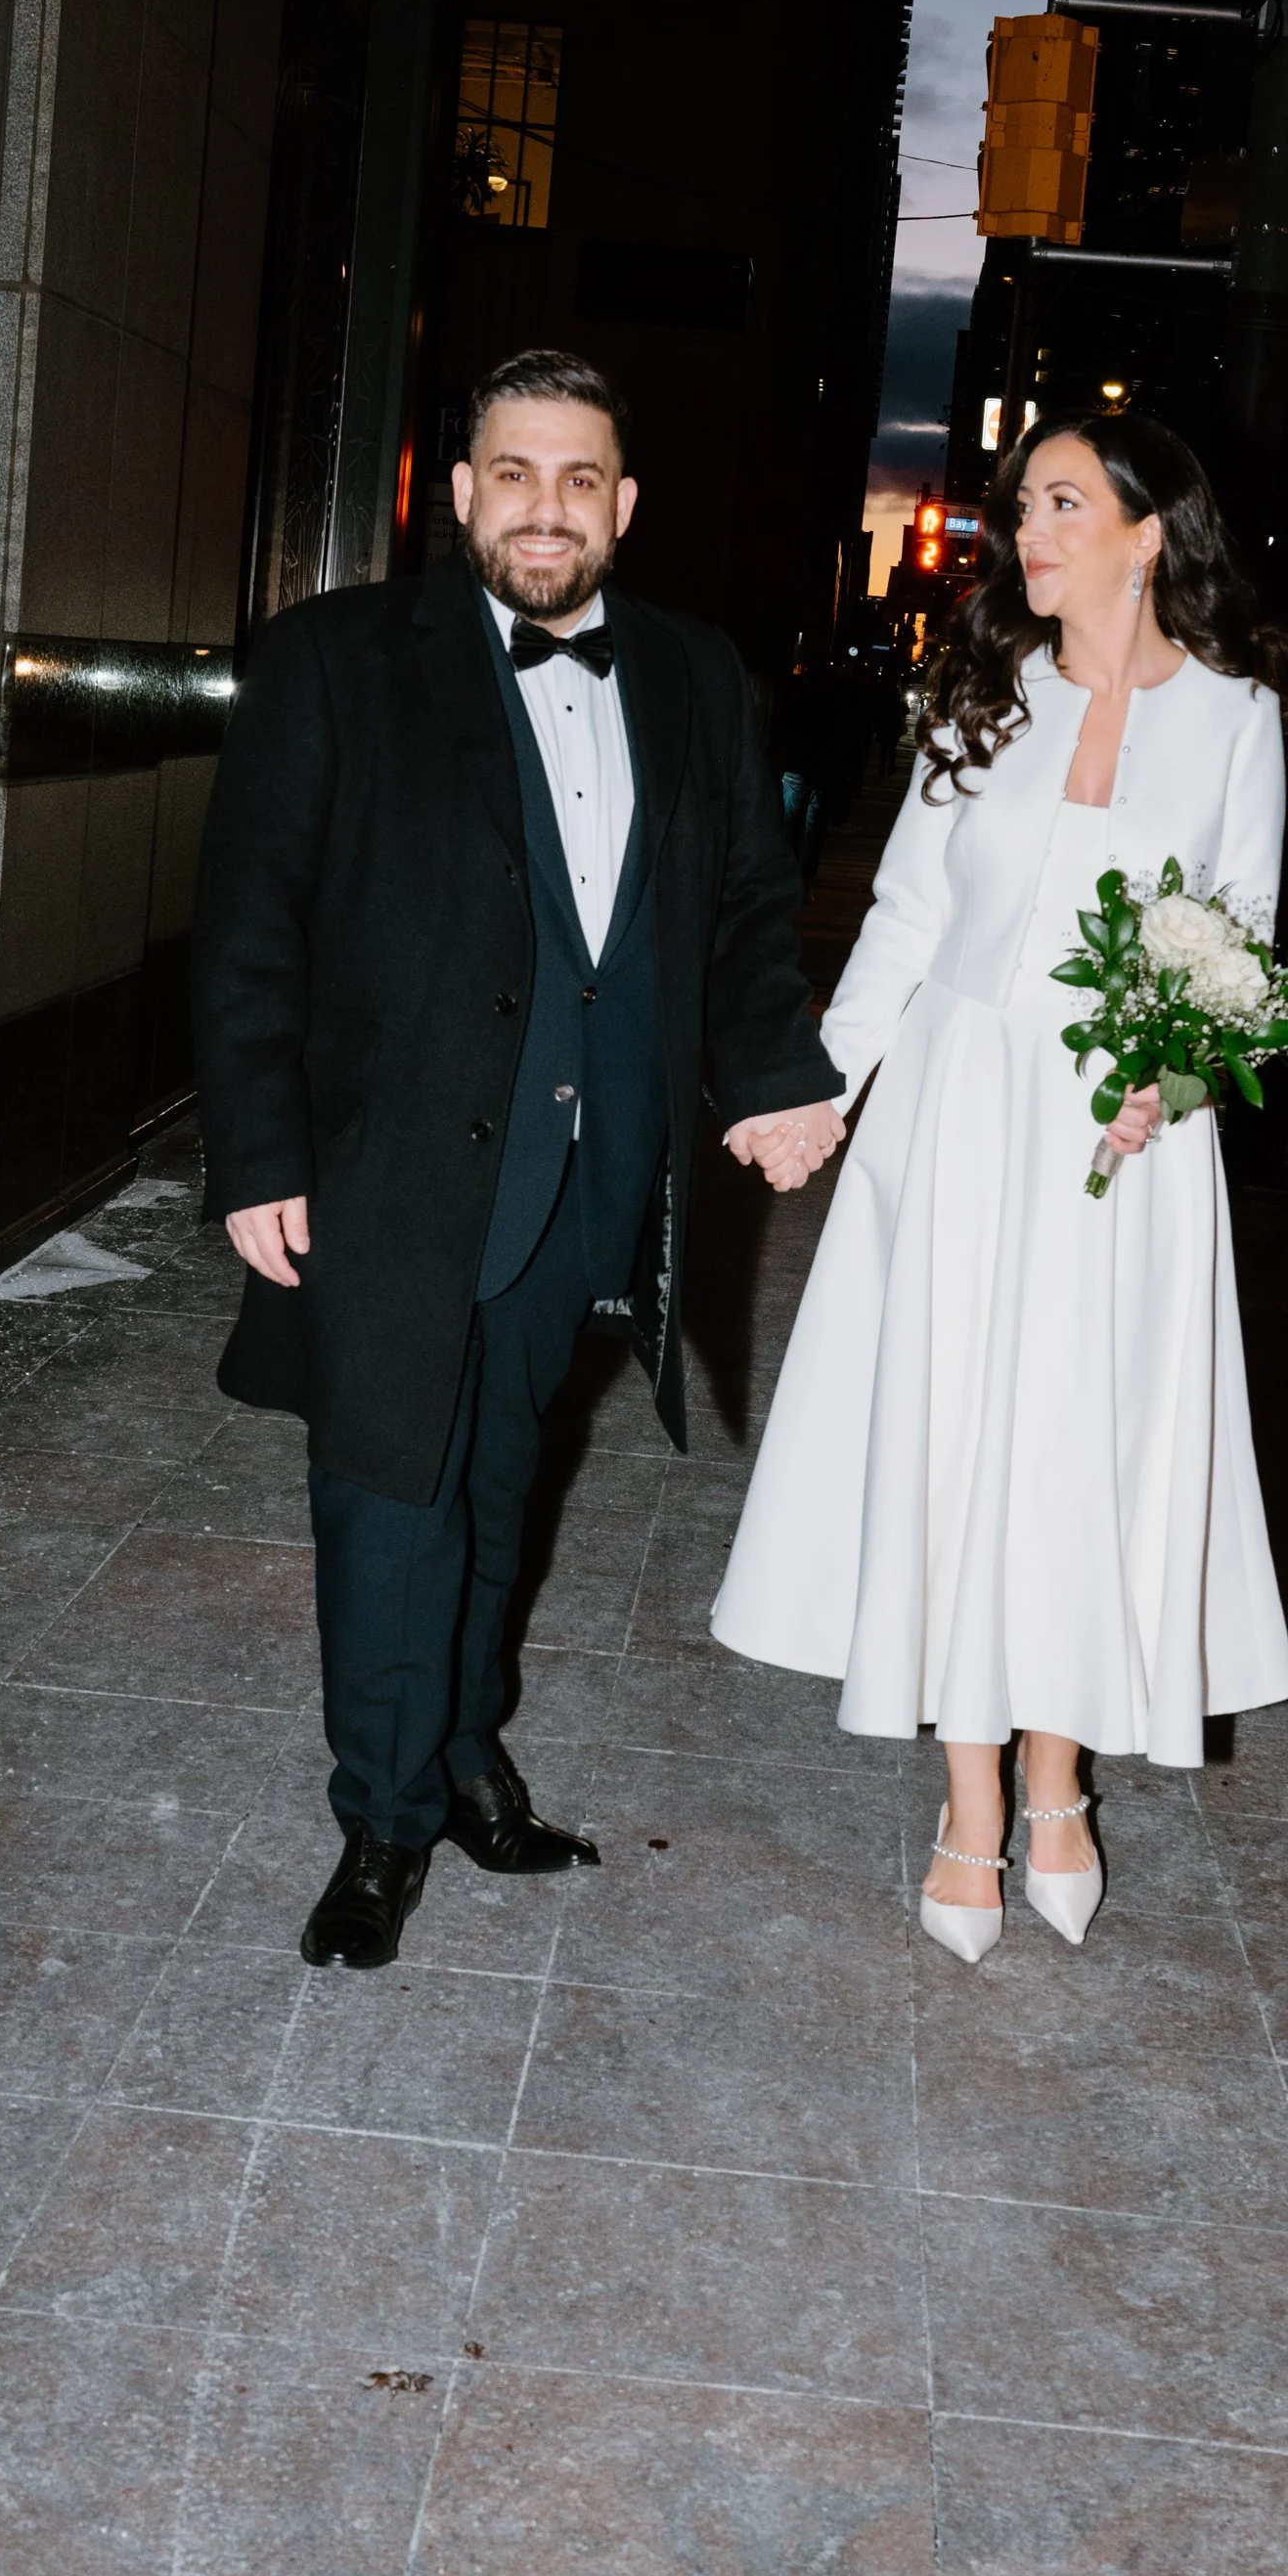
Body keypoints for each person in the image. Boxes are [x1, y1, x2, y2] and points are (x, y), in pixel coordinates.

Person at [193, 349, 845, 1971]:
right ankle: (382, 1819)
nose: (543, 508)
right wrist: (258, 1152)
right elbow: (247, 926)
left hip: (595, 1170)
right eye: (513, 472)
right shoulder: (336, 660)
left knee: (497, 1479)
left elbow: (751, 910)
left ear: (621, 505)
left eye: (578, 479)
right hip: (394, 1166)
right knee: (386, 1487)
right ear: (462, 488)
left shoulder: (697, 675)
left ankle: (467, 1754)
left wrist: (772, 1077)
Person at [711, 409, 1288, 1961]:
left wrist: (1168, 1082)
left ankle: (1063, 1779)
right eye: (1018, 506)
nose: (1022, 534)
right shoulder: (983, 694)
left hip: (1128, 1148)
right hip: (963, 1121)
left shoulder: (1236, 720)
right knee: (956, 1439)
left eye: (1055, 503)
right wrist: (815, 1093)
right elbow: (904, 919)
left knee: (1082, 1456)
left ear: (1146, 530)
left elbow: (1242, 947)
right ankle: (975, 1799)